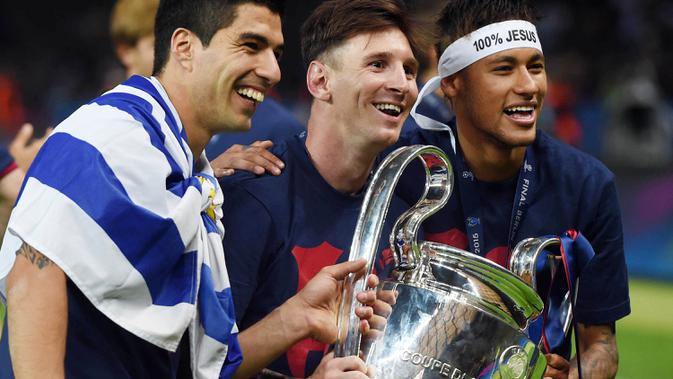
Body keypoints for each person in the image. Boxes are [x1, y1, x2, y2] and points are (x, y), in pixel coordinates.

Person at [0, 1, 379, 378]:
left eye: (276, 53)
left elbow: (189, 367)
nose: (272, 71)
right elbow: (32, 277)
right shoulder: (113, 133)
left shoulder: (187, 172)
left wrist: (297, 317)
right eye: (251, 45)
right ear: (184, 48)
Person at [395, 0, 630, 378]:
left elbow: (600, 344)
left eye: (535, 67)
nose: (528, 86)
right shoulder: (405, 166)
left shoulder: (587, 185)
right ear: (452, 83)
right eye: (504, 69)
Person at [217, 0, 420, 377]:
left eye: (409, 70)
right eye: (378, 64)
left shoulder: (401, 214)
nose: (401, 84)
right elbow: (192, 367)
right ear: (320, 81)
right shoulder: (252, 199)